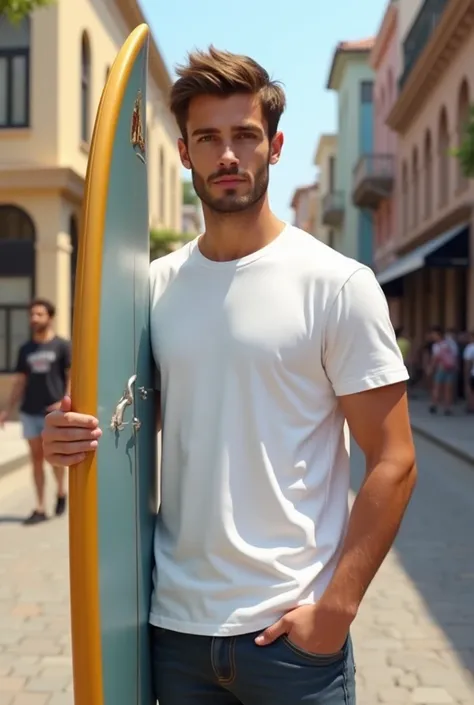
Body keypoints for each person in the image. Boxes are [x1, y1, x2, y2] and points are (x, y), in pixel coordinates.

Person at [42, 47, 417, 705]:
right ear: (184, 152)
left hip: (294, 645)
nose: (228, 155)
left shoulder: (336, 285)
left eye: (245, 136)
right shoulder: (151, 290)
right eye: (207, 138)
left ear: (273, 146)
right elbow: (112, 421)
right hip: (174, 635)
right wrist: (65, 434)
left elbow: (394, 459)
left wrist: (336, 609)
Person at [0, 298, 71, 525]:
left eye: (39, 314)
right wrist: (7, 409)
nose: (34, 318)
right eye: (32, 314)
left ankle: (61, 491)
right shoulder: (26, 349)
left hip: (52, 412)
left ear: (50, 317)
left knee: (54, 460)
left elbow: (71, 377)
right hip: (30, 411)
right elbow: (20, 381)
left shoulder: (62, 346)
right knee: (36, 460)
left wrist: (64, 400)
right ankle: (40, 507)